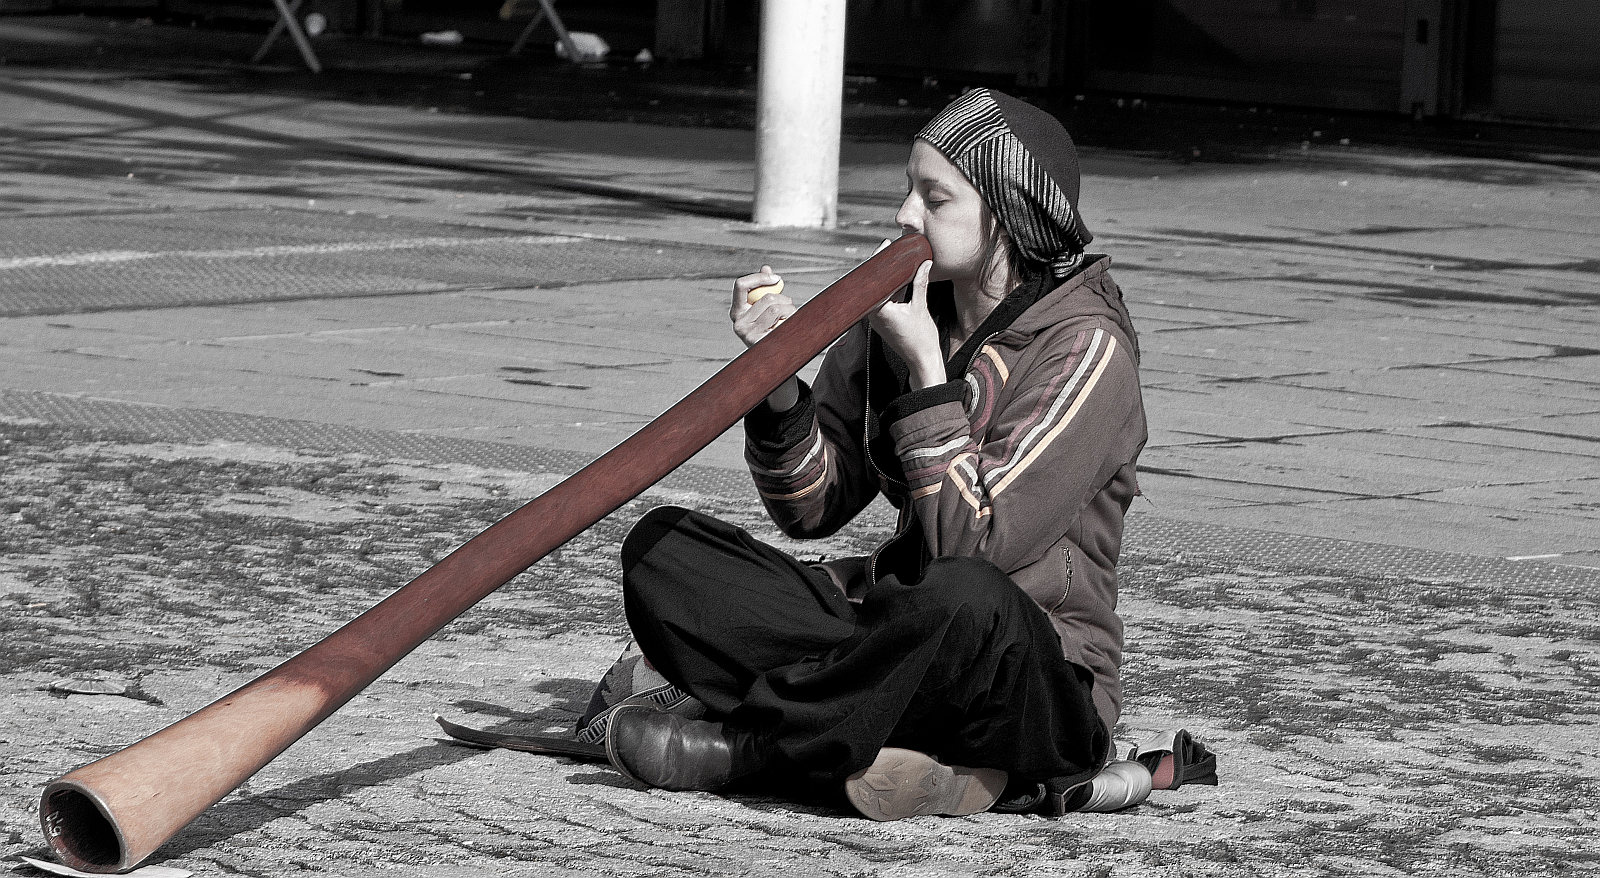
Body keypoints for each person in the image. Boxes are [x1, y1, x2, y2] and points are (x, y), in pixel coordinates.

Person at [583, 88, 1214, 820]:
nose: (905, 215)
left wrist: (926, 375)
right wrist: (779, 386)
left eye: (935, 199)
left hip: (1031, 676)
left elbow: (976, 547)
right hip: (896, 636)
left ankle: (753, 748)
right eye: (908, 190)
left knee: (963, 596)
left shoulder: (1086, 349)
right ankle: (895, 750)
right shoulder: (905, 313)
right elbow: (812, 510)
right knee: (664, 552)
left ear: (1009, 217)